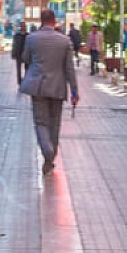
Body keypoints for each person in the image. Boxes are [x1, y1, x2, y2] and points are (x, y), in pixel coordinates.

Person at [21, 9, 79, 173]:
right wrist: (74, 91)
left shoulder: (31, 39)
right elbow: (69, 69)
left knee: (41, 122)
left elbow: (25, 58)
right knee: (55, 123)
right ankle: (50, 155)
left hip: (38, 87)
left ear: (41, 20)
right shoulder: (65, 41)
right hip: (57, 87)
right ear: (54, 21)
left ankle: (47, 150)